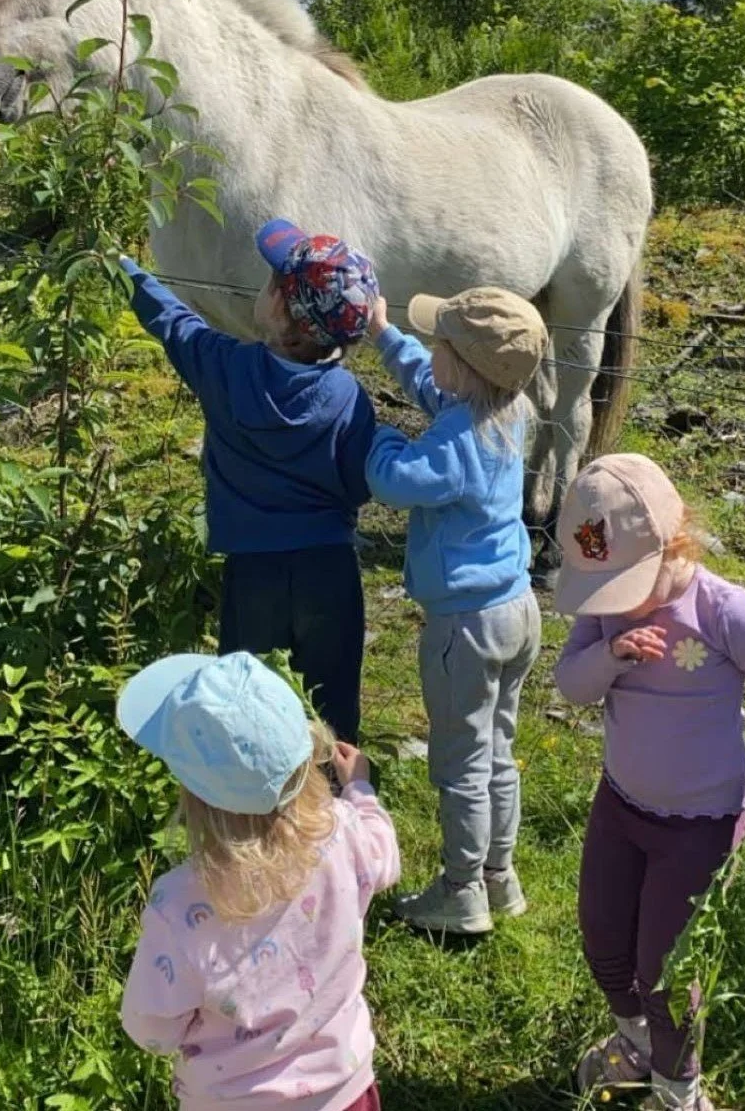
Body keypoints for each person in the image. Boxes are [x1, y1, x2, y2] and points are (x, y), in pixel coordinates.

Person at [553, 453, 745, 1111]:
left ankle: (678, 1090)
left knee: (666, 971)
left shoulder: (725, 611)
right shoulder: (609, 611)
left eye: (627, 581)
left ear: (675, 544)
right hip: (620, 804)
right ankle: (636, 1041)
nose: (616, 599)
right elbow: (570, 685)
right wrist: (610, 653)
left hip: (698, 827)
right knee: (604, 938)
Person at [119, 220, 378, 742]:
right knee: (332, 710)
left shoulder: (227, 369)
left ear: (284, 311)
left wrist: (120, 266)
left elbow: (171, 321)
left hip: (252, 572)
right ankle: (332, 808)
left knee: (246, 704)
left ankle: (252, 807)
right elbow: (359, 487)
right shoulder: (349, 398)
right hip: (329, 571)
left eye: (270, 283)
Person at [119, 649, 400, 1111]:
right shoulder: (343, 831)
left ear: (192, 793)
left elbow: (150, 1029)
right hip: (344, 1091)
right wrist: (360, 789)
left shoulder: (177, 905)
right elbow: (384, 854)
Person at [365, 286, 548, 935]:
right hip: (516, 610)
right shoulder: (509, 409)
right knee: (498, 750)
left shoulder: (453, 443)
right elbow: (431, 386)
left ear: (463, 366)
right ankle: (501, 875)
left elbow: (393, 481)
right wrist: (386, 335)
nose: (429, 351)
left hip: (464, 629)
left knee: (461, 762)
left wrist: (378, 437)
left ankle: (460, 890)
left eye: (436, 342)